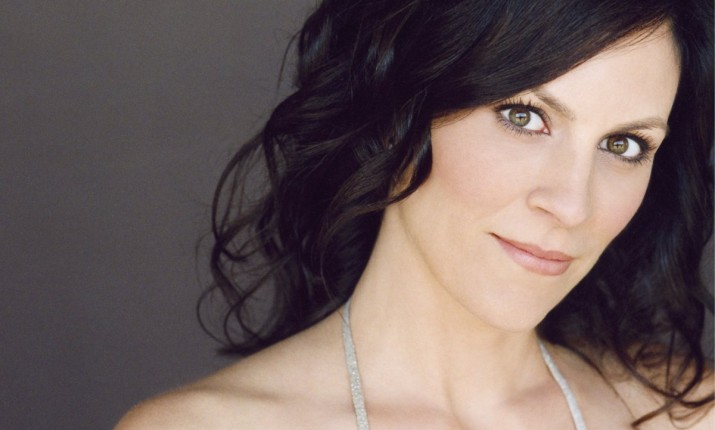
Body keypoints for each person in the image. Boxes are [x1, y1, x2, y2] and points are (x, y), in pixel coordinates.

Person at [117, 0, 714, 428]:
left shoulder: (686, 414)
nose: (572, 205)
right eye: (525, 117)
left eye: (624, 145)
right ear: (397, 114)